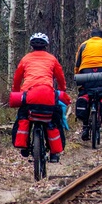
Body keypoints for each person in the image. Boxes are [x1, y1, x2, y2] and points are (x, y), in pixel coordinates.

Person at [11, 32, 69, 163]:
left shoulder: (25, 59)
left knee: (23, 116)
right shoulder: (52, 59)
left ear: (31, 46)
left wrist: (16, 92)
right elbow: (60, 77)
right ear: (46, 46)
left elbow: (17, 78)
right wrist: (62, 90)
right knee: (55, 119)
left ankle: (24, 147)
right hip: (47, 94)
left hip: (28, 95)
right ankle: (54, 153)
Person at [75, 28, 102, 140]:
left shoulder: (83, 45)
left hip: (85, 72)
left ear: (91, 36)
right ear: (101, 36)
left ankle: (85, 127)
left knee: (86, 94)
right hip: (101, 72)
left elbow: (77, 63)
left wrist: (79, 76)